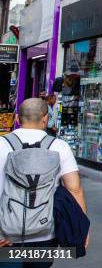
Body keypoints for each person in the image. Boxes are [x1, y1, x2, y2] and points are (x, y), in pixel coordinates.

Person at [0, 98, 88, 266]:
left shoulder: (2, 144)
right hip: (45, 233)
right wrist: (80, 227)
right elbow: (75, 190)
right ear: (46, 119)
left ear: (17, 118)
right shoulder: (59, 146)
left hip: (7, 234)